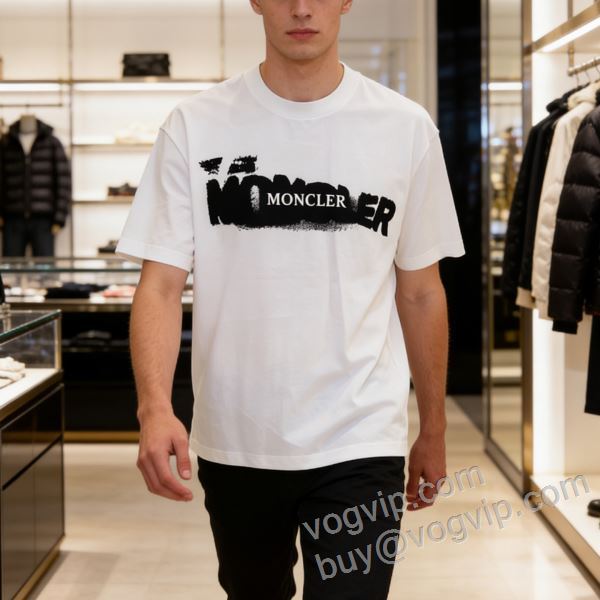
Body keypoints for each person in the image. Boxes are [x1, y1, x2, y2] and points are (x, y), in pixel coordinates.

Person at [115, 1, 465, 598]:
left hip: (361, 435)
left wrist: (433, 425)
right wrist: (154, 409)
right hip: (238, 436)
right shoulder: (194, 125)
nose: (302, 8)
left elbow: (422, 292)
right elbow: (161, 285)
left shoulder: (404, 127)